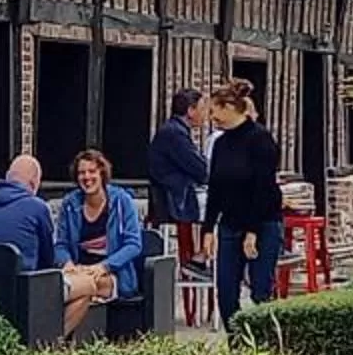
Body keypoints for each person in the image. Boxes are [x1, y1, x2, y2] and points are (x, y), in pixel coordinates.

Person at [203, 77, 285, 327]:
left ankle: (265, 344)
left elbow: (262, 188)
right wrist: (208, 228)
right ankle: (236, 344)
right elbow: (215, 187)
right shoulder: (221, 144)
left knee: (261, 291)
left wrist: (252, 231)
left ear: (228, 107)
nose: (211, 118)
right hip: (229, 224)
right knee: (226, 293)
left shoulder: (261, 140)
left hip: (263, 223)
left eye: (214, 111)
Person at [57, 147, 144, 338]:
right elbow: (60, 244)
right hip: (78, 271)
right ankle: (56, 344)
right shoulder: (70, 204)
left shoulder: (122, 201)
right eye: (81, 173)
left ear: (102, 173)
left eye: (91, 171)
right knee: (85, 292)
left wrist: (103, 266)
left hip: (113, 274)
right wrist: (68, 264)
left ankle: (47, 343)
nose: (86, 177)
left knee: (86, 284)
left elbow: (133, 244)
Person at [0, 154, 62, 270]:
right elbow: (48, 261)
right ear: (34, 184)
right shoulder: (37, 207)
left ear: (7, 176)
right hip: (19, 285)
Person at [147, 86, 209, 263]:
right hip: (174, 199)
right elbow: (200, 169)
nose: (204, 114)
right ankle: (203, 255)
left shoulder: (175, 130)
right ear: (190, 110)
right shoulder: (175, 133)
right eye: (202, 109)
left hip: (177, 194)